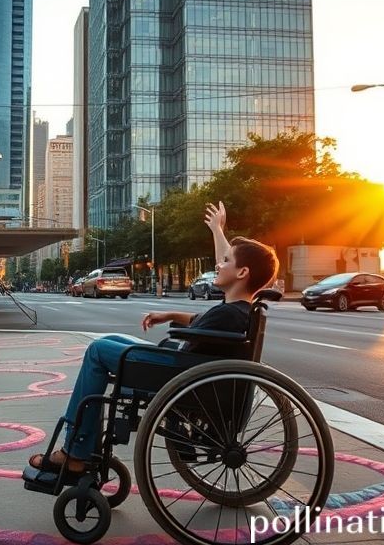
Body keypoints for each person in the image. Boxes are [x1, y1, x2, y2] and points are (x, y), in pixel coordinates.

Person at [28, 201, 279, 473]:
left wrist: (175, 323)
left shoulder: (228, 314)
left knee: (98, 350)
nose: (218, 265)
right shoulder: (235, 310)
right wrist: (170, 313)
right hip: (186, 366)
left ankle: (75, 452)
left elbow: (200, 325)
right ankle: (79, 446)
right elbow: (201, 321)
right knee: (113, 339)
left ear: (242, 273)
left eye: (226, 262)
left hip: (178, 371)